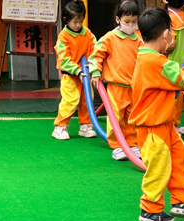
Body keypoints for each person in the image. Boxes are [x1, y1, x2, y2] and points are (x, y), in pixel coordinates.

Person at [131, 6, 184, 221]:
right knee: (159, 168)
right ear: (166, 34)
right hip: (152, 127)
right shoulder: (155, 62)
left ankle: (181, 200)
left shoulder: (148, 57)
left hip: (164, 124)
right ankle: (149, 209)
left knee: (180, 159)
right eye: (171, 33)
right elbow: (182, 79)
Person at [89, 0, 142, 160]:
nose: (131, 25)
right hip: (116, 86)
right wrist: (95, 71)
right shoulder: (110, 38)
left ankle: (132, 143)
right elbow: (96, 54)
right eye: (127, 21)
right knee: (116, 117)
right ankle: (117, 146)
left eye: (134, 22)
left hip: (134, 87)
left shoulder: (139, 40)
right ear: (118, 19)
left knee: (132, 116)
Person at [52, 0, 97, 141]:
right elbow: (64, 58)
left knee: (87, 99)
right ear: (66, 19)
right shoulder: (63, 36)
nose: (78, 25)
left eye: (80, 21)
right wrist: (77, 71)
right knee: (70, 100)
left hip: (85, 74)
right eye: (75, 22)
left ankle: (85, 125)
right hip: (71, 75)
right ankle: (60, 126)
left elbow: (95, 49)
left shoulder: (87, 33)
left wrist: (93, 66)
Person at [164, 0, 184, 134]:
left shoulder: (170, 19)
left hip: (174, 63)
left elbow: (171, 44)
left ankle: (174, 125)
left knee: (175, 96)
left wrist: (162, 49)